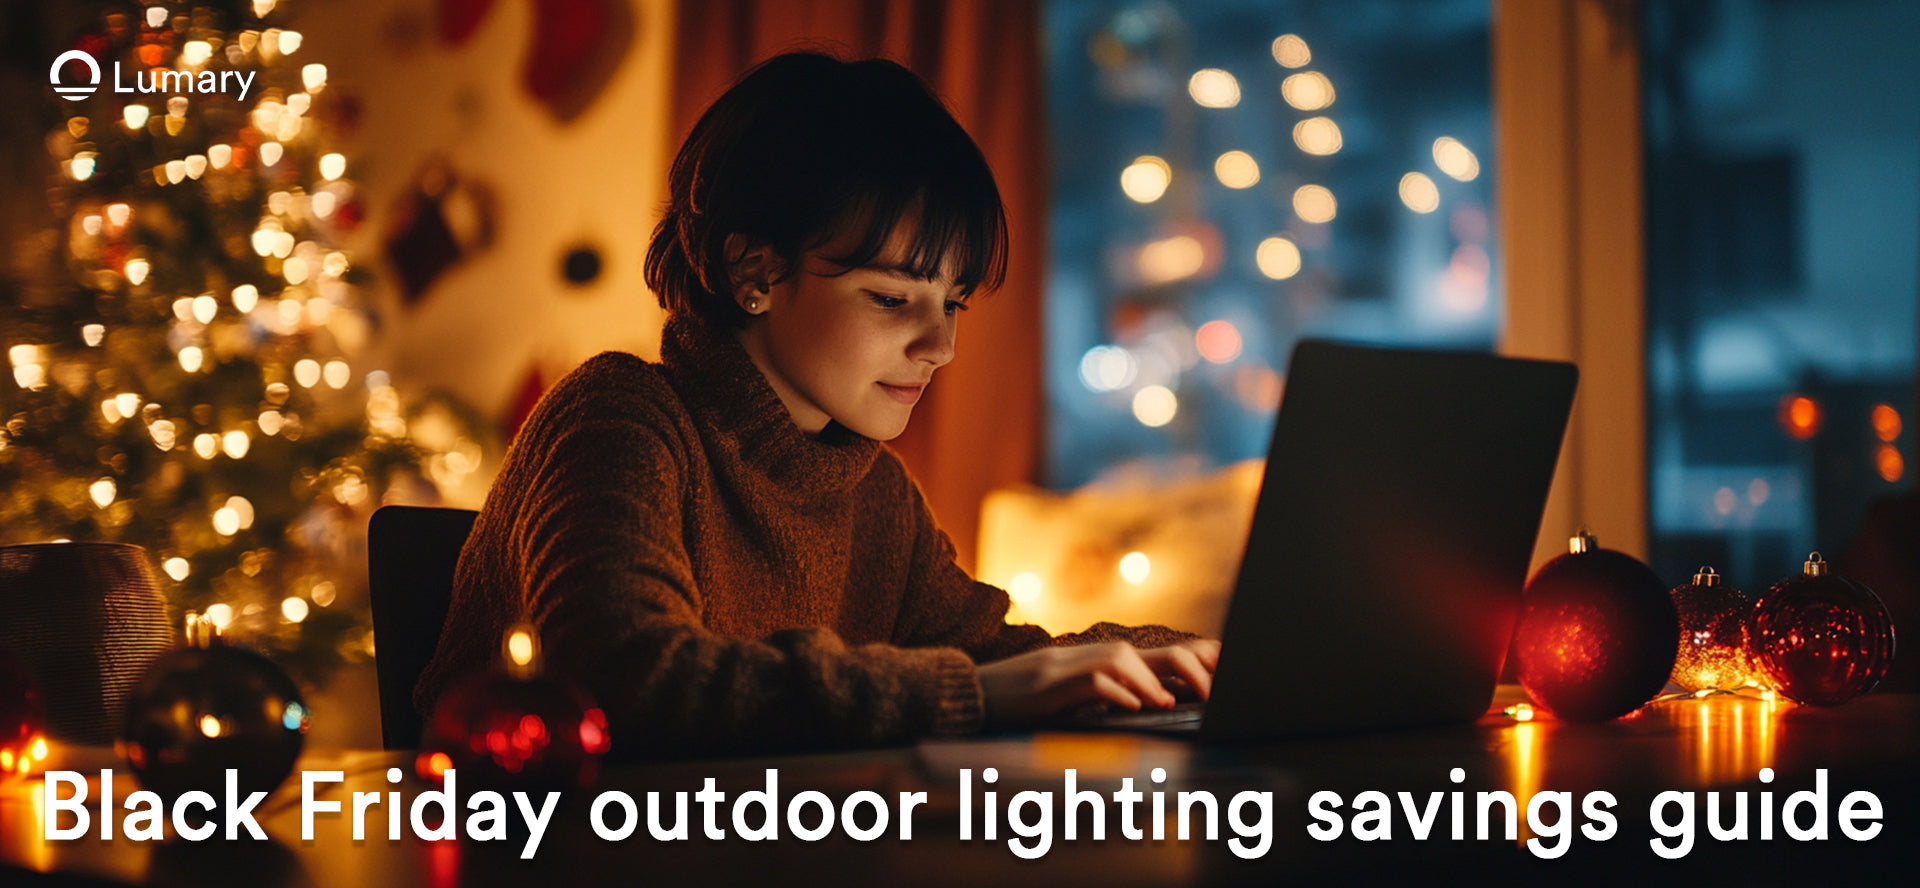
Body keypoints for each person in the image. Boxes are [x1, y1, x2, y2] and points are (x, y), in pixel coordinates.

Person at [414, 52, 1218, 758]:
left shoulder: (874, 491)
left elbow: (1001, 656)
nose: (940, 346)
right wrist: (968, 693)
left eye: (953, 303)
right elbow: (622, 679)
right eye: (892, 298)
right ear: (754, 273)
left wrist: (1182, 659)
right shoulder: (618, 418)